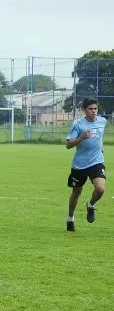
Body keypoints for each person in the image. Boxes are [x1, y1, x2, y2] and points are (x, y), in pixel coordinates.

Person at [64, 97, 106, 232]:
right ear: (84, 110)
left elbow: (100, 136)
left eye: (95, 108)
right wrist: (81, 137)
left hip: (97, 161)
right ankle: (70, 218)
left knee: (100, 189)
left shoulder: (102, 121)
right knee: (76, 192)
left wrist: (101, 146)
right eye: (90, 109)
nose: (93, 111)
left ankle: (90, 205)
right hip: (80, 164)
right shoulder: (78, 124)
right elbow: (68, 145)